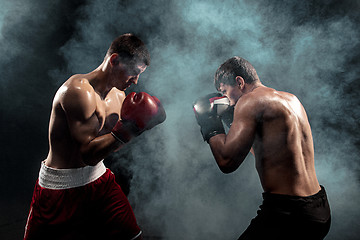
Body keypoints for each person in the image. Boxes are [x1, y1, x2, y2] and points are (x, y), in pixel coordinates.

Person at [24, 33, 166, 240]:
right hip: (61, 189)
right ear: (115, 60)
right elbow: (88, 154)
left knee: (133, 237)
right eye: (134, 73)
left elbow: (110, 147)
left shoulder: (119, 96)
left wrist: (141, 126)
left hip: (98, 179)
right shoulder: (77, 91)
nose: (136, 81)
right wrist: (132, 129)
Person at [193, 56, 331, 240]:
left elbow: (227, 162)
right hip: (319, 209)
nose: (227, 100)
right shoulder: (291, 99)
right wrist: (230, 121)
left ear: (239, 82)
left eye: (225, 92)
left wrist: (209, 124)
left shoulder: (249, 101)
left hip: (289, 214)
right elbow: (263, 150)